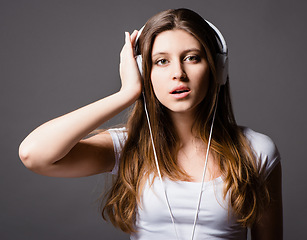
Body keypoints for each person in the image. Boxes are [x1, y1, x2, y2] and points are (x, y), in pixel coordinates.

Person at [19, 8, 282, 240]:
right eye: (161, 61)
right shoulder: (127, 146)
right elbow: (34, 154)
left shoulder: (256, 150)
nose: (178, 73)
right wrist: (126, 95)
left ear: (218, 68)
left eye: (191, 57)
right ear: (145, 73)